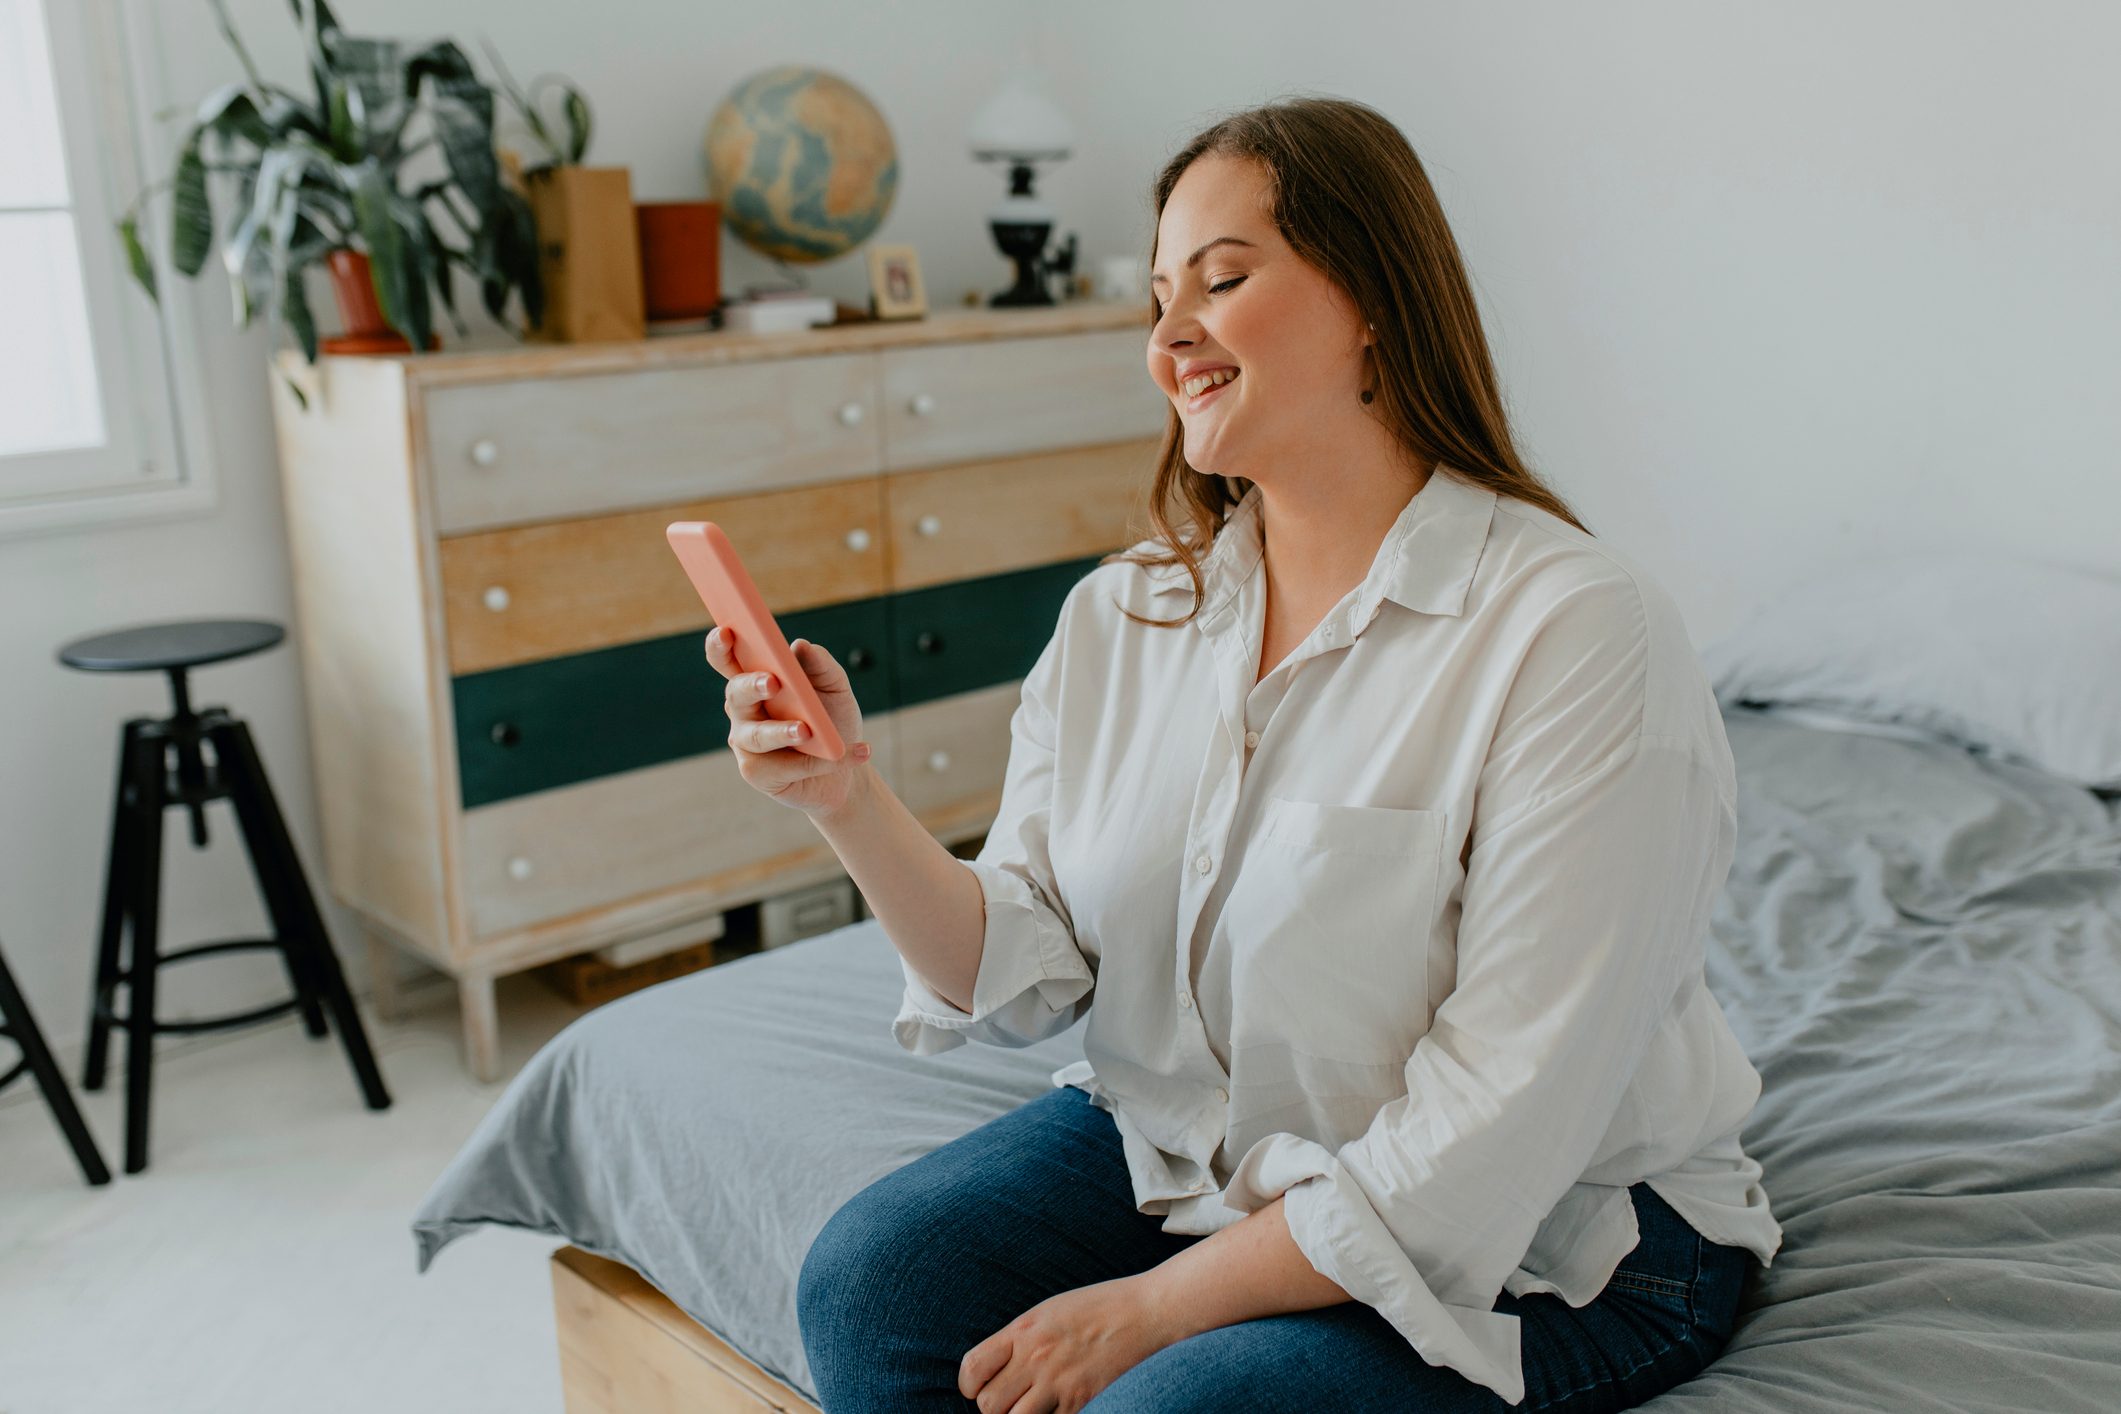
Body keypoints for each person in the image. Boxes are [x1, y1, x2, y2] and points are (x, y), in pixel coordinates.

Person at [705, 94, 1783, 1414]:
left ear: (1374, 298)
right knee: (874, 1282)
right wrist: (845, 797)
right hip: (1212, 1157)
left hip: (1557, 1237)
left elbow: (1498, 1130)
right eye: (1159, 296)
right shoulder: (1124, 615)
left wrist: (1150, 1310)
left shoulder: (1575, 630)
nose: (1169, 334)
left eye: (1221, 280)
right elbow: (1020, 964)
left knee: (1168, 1405)